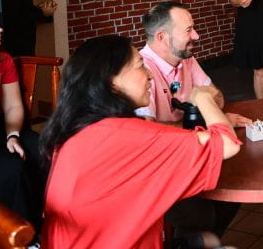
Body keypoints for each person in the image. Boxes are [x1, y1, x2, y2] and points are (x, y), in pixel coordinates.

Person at [40, 35, 242, 248]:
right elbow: (227, 143)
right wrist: (202, 98)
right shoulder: (128, 135)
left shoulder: (76, 129)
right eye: (140, 66)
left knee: (208, 239)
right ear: (113, 80)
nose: (149, 75)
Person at [136, 1, 251, 247]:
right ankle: (194, 240)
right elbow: (147, 132)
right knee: (201, 214)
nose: (196, 35)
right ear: (162, 37)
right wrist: (206, 118)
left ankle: (203, 241)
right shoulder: (141, 71)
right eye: (189, 30)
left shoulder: (185, 58)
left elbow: (217, 95)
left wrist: (202, 111)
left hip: (190, 149)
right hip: (161, 165)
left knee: (238, 187)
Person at [0, 26, 44, 240]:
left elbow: (13, 106)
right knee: (12, 169)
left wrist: (12, 135)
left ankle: (45, 227)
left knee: (44, 149)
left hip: (1, 127)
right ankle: (20, 239)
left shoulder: (3, 59)